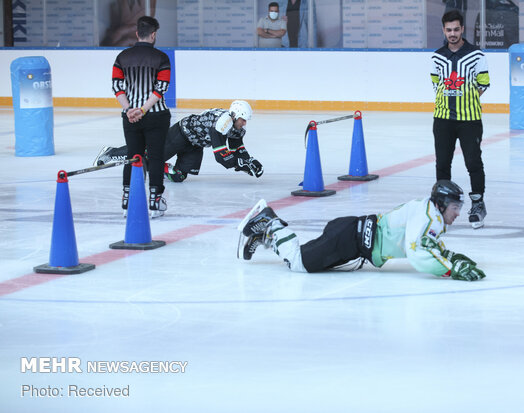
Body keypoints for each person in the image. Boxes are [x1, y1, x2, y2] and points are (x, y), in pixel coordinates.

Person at [239, 180, 486, 281]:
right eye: (455, 207)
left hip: (352, 237)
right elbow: (416, 251)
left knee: (300, 258)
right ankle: (270, 223)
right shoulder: (426, 216)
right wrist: (450, 269)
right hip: (348, 238)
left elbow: (426, 244)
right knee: (297, 262)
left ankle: (264, 236)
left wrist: (449, 257)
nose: (458, 212)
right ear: (442, 204)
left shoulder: (430, 214)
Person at [94, 100, 263, 183]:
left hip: (195, 144)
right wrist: (241, 164)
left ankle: (156, 166)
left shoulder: (236, 126)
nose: (244, 123)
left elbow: (237, 148)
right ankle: (111, 153)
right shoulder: (223, 122)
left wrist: (249, 162)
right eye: (242, 119)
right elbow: (222, 157)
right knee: (146, 154)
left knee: (178, 176)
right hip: (181, 134)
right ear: (234, 115)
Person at [430, 10, 490, 229]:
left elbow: (483, 84)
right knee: (443, 163)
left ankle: (478, 204)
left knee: (473, 162)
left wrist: (465, 100)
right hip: (443, 119)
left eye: (456, 29)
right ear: (444, 30)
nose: (452, 34)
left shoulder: (476, 56)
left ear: (462, 29)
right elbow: (436, 83)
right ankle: (441, 207)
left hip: (469, 120)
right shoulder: (436, 57)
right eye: (449, 30)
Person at [112, 15, 171, 218]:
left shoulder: (122, 57)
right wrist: (143, 110)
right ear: (153, 35)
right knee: (155, 157)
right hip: (156, 116)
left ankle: (127, 199)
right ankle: (155, 201)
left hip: (130, 118)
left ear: (137, 34)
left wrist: (130, 110)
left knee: (133, 157)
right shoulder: (162, 58)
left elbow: (117, 87)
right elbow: (160, 89)